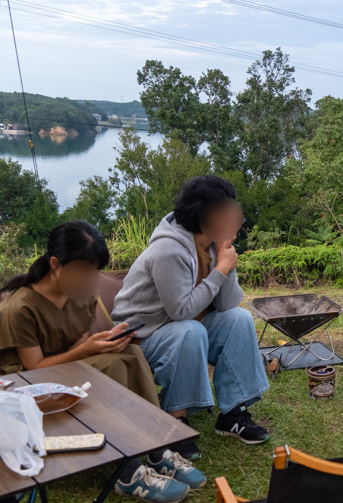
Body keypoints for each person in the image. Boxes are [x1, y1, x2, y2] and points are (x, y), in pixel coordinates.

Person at [0, 220, 205, 503]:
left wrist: (104, 340)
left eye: (95, 271)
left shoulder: (81, 294)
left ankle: (155, 445)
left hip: (65, 370)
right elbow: (34, 367)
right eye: (85, 270)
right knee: (112, 366)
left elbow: (77, 343)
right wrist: (89, 348)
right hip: (28, 386)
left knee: (131, 354)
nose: (92, 279)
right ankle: (125, 470)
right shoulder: (21, 308)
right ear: (55, 264)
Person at [111, 175, 270, 460]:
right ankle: (175, 421)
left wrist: (225, 262)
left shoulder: (212, 243)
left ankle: (233, 412)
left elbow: (227, 303)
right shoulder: (168, 249)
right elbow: (181, 311)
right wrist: (220, 271)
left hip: (181, 325)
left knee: (239, 319)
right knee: (189, 331)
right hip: (140, 335)